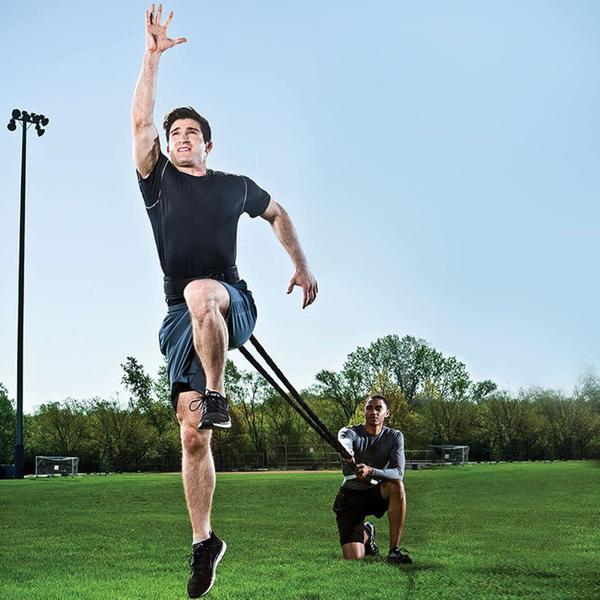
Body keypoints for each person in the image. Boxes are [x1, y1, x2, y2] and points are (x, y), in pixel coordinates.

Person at [131, 4, 318, 597]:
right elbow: (140, 124)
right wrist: (152, 56)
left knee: (204, 290)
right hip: (178, 322)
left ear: (208, 144)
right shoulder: (157, 181)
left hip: (233, 302)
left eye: (191, 133)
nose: (179, 138)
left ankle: (217, 393)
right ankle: (204, 542)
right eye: (173, 134)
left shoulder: (234, 186)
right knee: (192, 436)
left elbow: (278, 213)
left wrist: (302, 267)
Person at [334, 394, 412, 564]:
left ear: (387, 413)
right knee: (355, 557)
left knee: (396, 485)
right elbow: (344, 439)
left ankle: (394, 551)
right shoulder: (350, 431)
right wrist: (347, 450)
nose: (373, 412)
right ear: (364, 412)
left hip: (374, 492)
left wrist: (370, 471)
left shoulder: (394, 436)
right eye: (369, 408)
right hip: (350, 497)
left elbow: (398, 472)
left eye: (378, 408)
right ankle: (367, 533)